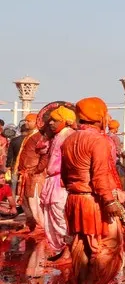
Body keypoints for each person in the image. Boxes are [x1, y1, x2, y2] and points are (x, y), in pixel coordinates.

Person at [60, 97, 125, 284]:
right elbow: (99, 177)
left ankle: (81, 283)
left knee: (81, 244)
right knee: (109, 244)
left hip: (74, 198)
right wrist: (110, 201)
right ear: (98, 116)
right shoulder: (98, 140)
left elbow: (63, 176)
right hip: (94, 200)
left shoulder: (69, 139)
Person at [41, 106, 76, 260]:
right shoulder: (56, 136)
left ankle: (69, 250)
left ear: (65, 121)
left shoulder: (70, 135)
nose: (51, 123)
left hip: (62, 182)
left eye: (55, 120)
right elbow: (40, 150)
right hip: (53, 180)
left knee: (61, 216)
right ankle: (63, 249)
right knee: (53, 216)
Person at [14, 114, 44, 233]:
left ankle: (39, 226)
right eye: (25, 121)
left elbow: (45, 155)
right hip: (25, 174)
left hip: (35, 175)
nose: (26, 123)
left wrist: (37, 169)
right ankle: (30, 224)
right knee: (25, 201)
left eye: (29, 121)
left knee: (34, 201)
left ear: (36, 122)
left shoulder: (40, 136)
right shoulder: (28, 136)